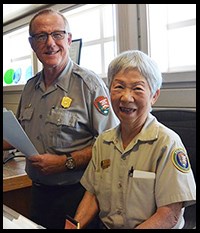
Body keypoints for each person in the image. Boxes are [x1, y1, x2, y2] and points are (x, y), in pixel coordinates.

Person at [3, 8, 119, 229]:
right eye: (41, 36)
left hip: (78, 195)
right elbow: (21, 135)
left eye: (57, 34)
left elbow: (111, 145)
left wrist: (66, 162)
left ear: (68, 39)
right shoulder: (30, 87)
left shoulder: (88, 85)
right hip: (38, 193)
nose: (50, 43)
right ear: (32, 44)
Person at [65, 50, 196, 229]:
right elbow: (93, 195)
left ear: (154, 96)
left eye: (137, 88)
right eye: (118, 87)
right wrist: (75, 226)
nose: (126, 97)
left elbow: (169, 215)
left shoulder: (167, 143)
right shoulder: (103, 142)